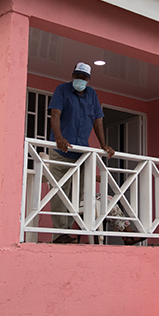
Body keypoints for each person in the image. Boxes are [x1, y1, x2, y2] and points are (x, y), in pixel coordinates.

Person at [47, 62, 115, 243]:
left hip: (80, 154)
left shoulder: (92, 94)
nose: (80, 80)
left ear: (89, 79)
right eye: (78, 76)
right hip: (60, 151)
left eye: (84, 78)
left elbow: (98, 119)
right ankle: (59, 234)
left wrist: (104, 145)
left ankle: (68, 231)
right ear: (73, 75)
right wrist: (58, 137)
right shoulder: (62, 90)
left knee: (76, 194)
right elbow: (55, 113)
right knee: (60, 193)